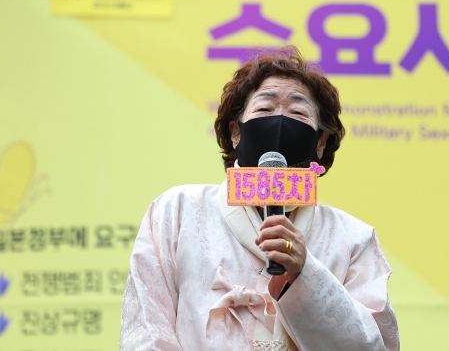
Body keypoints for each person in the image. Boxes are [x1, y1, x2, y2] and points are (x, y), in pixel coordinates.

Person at [120, 47, 400, 351]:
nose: (279, 122)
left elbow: (374, 346)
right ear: (236, 132)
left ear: (320, 142)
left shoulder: (354, 238)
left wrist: (306, 274)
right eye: (265, 110)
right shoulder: (177, 211)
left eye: (297, 113)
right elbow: (147, 330)